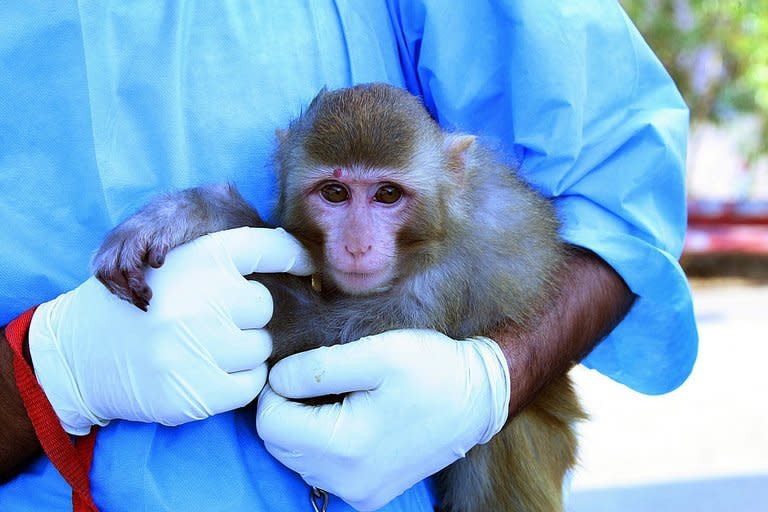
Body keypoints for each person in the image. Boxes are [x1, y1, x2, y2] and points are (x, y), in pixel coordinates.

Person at [0, 1, 697, 510]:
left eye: (388, 197)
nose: (361, 239)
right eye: (333, 194)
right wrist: (52, 370)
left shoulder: (470, 238)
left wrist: (492, 380)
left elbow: (620, 198)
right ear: (284, 162)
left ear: (455, 174)